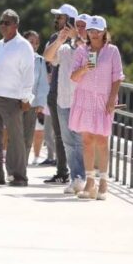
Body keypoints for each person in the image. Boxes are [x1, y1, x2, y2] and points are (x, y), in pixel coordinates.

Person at [69, 16, 124, 201]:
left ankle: (104, 181)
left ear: (104, 31)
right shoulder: (82, 51)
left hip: (104, 100)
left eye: (97, 31)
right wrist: (85, 67)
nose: (93, 34)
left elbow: (117, 77)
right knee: (86, 140)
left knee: (102, 140)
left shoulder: (112, 51)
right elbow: (74, 77)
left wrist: (111, 99)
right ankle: (90, 181)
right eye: (91, 31)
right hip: (84, 99)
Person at [0, 10, 35, 187]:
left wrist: (26, 98)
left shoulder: (23, 46)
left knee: (15, 137)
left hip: (13, 97)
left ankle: (18, 175)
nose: (2, 26)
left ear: (15, 26)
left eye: (6, 23)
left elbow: (28, 73)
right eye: (1, 22)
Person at [44, 16, 88, 194]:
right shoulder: (63, 48)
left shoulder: (90, 47)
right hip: (63, 100)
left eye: (82, 26)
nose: (78, 29)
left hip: (83, 101)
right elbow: (47, 56)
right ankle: (76, 177)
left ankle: (84, 178)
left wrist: (80, 41)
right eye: (76, 26)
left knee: (81, 141)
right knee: (69, 142)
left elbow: (93, 62)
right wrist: (61, 38)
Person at [43, 3, 78, 184]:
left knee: (76, 138)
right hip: (57, 92)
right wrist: (59, 41)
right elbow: (47, 58)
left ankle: (79, 174)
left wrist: (76, 39)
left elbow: (93, 64)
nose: (57, 20)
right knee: (60, 135)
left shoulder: (84, 42)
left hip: (78, 96)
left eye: (61, 17)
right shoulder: (57, 39)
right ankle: (63, 171)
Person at [23, 31, 49, 165]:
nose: (34, 45)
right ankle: (12, 166)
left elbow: (43, 83)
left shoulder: (39, 60)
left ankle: (22, 167)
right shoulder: (17, 56)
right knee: (15, 136)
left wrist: (40, 103)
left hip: (31, 104)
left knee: (28, 137)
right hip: (14, 102)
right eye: (31, 41)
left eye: (36, 43)